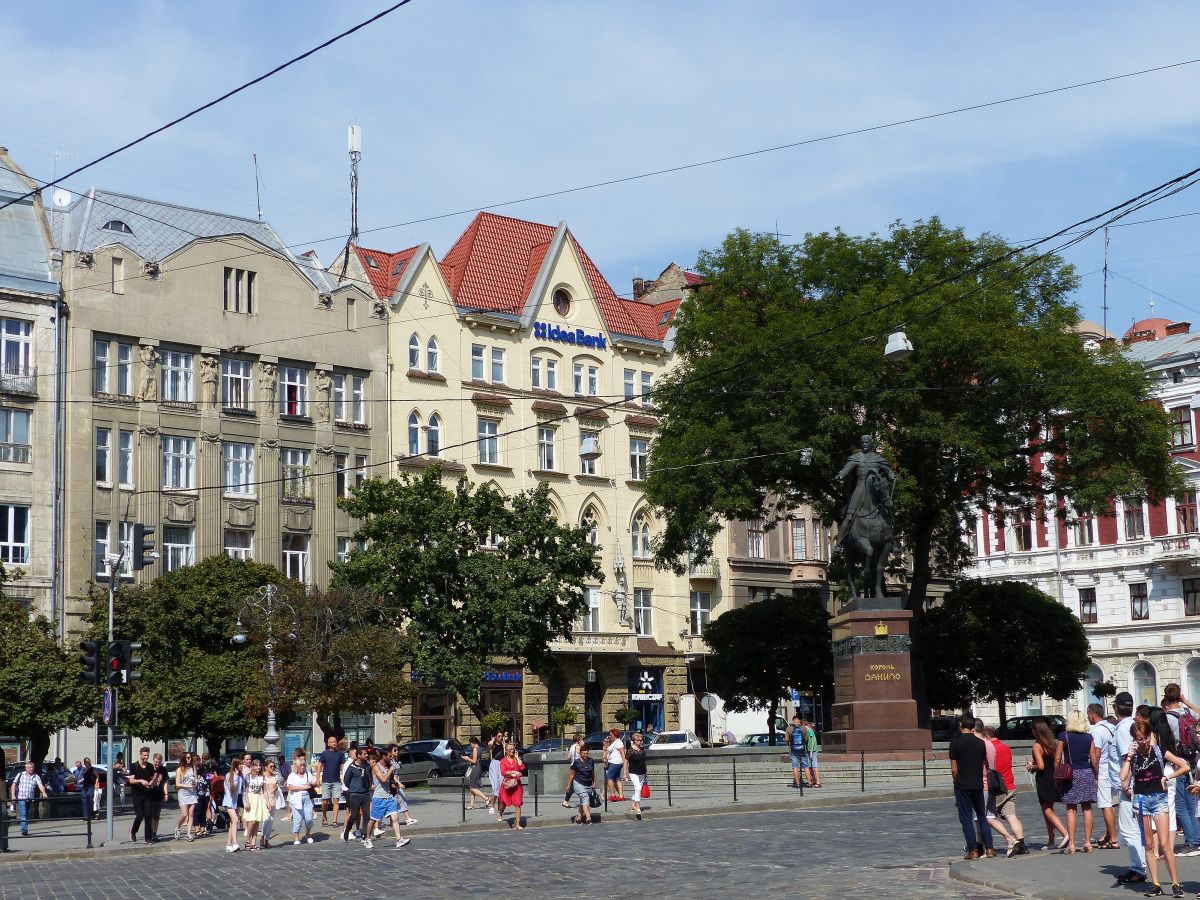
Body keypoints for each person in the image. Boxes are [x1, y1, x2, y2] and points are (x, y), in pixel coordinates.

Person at [1121, 718, 1190, 898]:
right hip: (1141, 800)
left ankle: (1175, 883)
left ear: (1150, 735)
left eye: (1145, 737)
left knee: (1165, 844)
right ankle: (1156, 884)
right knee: (1149, 844)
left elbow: (1185, 766)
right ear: (1134, 739)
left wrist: (1168, 777)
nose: (1143, 741)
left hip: (1159, 799)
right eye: (1139, 739)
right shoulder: (1133, 756)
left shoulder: (1159, 751)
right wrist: (1129, 756)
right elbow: (1123, 778)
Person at [1112, 692, 1150, 886]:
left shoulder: (1121, 730)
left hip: (1129, 784)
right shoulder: (1132, 725)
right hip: (1136, 783)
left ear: (1115, 708)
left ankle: (1138, 868)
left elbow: (1129, 756)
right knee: (1136, 827)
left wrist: (1127, 784)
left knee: (1129, 828)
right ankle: (1141, 864)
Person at [948, 715, 994, 860]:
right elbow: (982, 764)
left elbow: (954, 768)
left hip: (963, 784)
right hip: (978, 784)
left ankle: (973, 850)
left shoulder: (955, 742)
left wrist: (956, 781)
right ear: (973, 725)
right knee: (982, 816)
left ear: (961, 724)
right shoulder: (980, 743)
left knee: (966, 818)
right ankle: (990, 849)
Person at [1163, 684, 1200, 855]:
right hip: (1192, 760)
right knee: (1191, 802)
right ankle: (1196, 838)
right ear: (1179, 697)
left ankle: (1191, 841)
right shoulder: (1188, 713)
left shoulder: (1167, 718)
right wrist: (1186, 702)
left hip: (1178, 762)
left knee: (1180, 804)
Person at [1025, 718, 1069, 851]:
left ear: (1035, 731)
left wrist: (1031, 767)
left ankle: (1065, 833)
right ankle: (1051, 841)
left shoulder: (1037, 746)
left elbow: (1041, 765)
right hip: (1053, 776)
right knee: (1049, 809)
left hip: (1044, 779)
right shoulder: (1051, 744)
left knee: (1046, 809)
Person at [1058, 710, 1099, 853]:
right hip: (1086, 772)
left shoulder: (1064, 736)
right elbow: (1094, 760)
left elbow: (1057, 758)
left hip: (1071, 773)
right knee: (1087, 808)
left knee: (1071, 809)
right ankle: (1087, 842)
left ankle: (1072, 844)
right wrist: (1096, 776)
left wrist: (1057, 775)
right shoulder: (1089, 738)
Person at [982, 726, 1026, 856]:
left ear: (986, 737)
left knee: (986, 816)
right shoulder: (1006, 747)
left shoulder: (989, 748)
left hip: (996, 787)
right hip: (1010, 785)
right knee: (1011, 816)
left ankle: (1009, 839)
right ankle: (1022, 845)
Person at [1086, 703, 1119, 849]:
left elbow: (1096, 753)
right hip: (1114, 769)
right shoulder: (1112, 727)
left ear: (1092, 714)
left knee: (1105, 804)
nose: (1088, 717)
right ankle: (1109, 834)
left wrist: (1095, 771)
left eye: (1089, 714)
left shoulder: (1097, 731)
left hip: (1104, 771)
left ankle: (1113, 838)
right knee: (1111, 803)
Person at [364, 748, 410, 849]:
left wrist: (398, 783)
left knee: (395, 817)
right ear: (383, 756)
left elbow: (392, 777)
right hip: (379, 797)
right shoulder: (376, 767)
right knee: (373, 820)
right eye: (389, 756)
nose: (391, 758)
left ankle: (399, 839)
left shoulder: (388, 766)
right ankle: (367, 838)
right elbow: (384, 779)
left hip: (389, 797)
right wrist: (391, 770)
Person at [126, 748, 157, 844]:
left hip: (147, 793)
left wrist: (153, 781)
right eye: (144, 755)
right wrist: (140, 781)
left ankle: (148, 838)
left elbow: (152, 780)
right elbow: (131, 781)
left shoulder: (150, 766)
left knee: (148, 814)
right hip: (137, 794)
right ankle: (133, 830)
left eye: (147, 755)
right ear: (140, 754)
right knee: (139, 815)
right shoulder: (134, 766)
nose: (146, 757)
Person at [341, 747, 372, 842]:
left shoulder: (367, 766)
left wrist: (370, 786)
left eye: (366, 754)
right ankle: (347, 830)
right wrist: (354, 787)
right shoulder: (351, 768)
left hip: (366, 793)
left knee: (366, 816)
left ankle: (364, 835)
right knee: (353, 815)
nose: (366, 755)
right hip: (355, 794)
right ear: (358, 756)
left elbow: (370, 778)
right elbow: (346, 781)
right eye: (364, 754)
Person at [316, 735, 346, 829]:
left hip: (336, 781)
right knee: (325, 801)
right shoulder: (325, 753)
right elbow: (320, 766)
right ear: (328, 744)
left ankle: (334, 821)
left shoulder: (340, 754)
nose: (334, 743)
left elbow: (343, 767)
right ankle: (324, 817)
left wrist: (345, 778)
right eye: (332, 742)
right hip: (326, 781)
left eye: (335, 741)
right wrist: (317, 778)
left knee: (336, 800)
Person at [285, 757, 316, 845]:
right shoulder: (292, 775)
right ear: (296, 767)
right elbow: (290, 787)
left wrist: (312, 784)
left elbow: (314, 782)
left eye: (303, 765)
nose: (302, 767)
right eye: (300, 765)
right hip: (296, 799)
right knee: (297, 819)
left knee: (309, 819)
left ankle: (308, 833)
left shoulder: (307, 773)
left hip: (307, 798)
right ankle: (296, 837)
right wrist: (302, 787)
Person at [12, 760, 48, 837]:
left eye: (32, 767)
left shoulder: (36, 776)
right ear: (26, 768)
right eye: (29, 768)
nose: (31, 769)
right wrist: (13, 795)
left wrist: (44, 792)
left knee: (27, 813)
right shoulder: (20, 775)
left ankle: (24, 827)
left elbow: (40, 785)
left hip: (30, 798)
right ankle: (24, 830)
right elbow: (13, 785)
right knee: (23, 813)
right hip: (21, 797)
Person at [240, 758, 268, 851]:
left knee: (257, 821)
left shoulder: (262, 777)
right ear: (252, 766)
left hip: (258, 798)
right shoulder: (248, 776)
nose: (258, 767)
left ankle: (253, 843)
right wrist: (246, 802)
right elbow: (246, 790)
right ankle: (247, 840)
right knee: (251, 821)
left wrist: (267, 802)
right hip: (251, 798)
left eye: (260, 765)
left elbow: (264, 791)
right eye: (256, 765)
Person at [498, 742, 527, 830]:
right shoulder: (503, 761)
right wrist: (513, 772)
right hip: (507, 784)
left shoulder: (516, 759)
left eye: (513, 749)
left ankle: (518, 824)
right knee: (504, 802)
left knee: (517, 803)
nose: (512, 750)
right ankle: (500, 813)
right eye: (510, 749)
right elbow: (503, 772)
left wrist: (518, 759)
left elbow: (522, 768)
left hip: (516, 785)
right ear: (506, 751)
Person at [174, 751, 199, 842]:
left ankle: (189, 833)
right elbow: (177, 784)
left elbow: (195, 779)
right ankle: (178, 827)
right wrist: (187, 786)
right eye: (187, 757)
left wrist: (195, 783)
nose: (189, 759)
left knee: (191, 813)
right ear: (183, 758)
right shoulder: (180, 769)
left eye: (190, 757)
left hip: (192, 793)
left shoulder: (193, 767)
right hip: (183, 793)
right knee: (184, 814)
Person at [568, 744, 596, 824]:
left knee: (583, 801)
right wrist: (569, 785)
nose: (585, 755)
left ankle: (579, 817)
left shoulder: (591, 760)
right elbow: (572, 774)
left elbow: (593, 772)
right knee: (585, 797)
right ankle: (588, 817)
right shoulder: (576, 762)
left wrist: (594, 782)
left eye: (586, 753)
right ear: (580, 753)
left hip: (588, 783)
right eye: (583, 754)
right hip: (578, 783)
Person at [462, 736, 490, 810]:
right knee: (473, 786)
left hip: (475, 768)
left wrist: (467, 758)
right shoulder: (480, 749)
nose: (470, 745)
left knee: (472, 788)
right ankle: (471, 805)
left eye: (471, 743)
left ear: (474, 743)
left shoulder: (475, 749)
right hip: (478, 768)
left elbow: (474, 761)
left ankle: (486, 798)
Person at [626, 732, 648, 821]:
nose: (641, 741)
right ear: (634, 741)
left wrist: (646, 770)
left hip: (642, 772)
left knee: (637, 789)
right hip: (633, 772)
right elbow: (625, 761)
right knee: (638, 788)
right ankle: (638, 807)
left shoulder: (642, 749)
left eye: (641, 740)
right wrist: (624, 773)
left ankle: (633, 804)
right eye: (639, 740)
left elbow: (644, 760)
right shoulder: (630, 750)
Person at [261, 760, 281, 848]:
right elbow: (262, 790)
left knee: (271, 820)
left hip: (273, 799)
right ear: (266, 767)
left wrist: (276, 787)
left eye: (273, 767)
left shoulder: (274, 777)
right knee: (266, 818)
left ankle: (267, 839)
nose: (272, 768)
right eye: (271, 766)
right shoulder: (262, 776)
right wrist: (266, 802)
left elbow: (276, 789)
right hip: (264, 799)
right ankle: (262, 836)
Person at [148, 752, 168, 840]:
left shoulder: (163, 769)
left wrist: (166, 793)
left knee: (156, 816)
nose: (157, 764)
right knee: (151, 814)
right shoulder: (149, 769)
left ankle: (154, 833)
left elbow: (165, 782)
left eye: (159, 762)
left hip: (159, 795)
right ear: (153, 760)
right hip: (150, 795)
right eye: (156, 762)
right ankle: (150, 832)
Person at [786, 714, 808, 790]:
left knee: (795, 767)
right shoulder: (804, 728)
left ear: (793, 720)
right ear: (800, 720)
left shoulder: (789, 728)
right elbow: (806, 739)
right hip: (802, 749)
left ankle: (798, 784)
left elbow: (786, 739)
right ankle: (810, 783)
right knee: (806, 766)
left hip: (793, 750)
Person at [605, 728, 626, 802]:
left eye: (611, 734)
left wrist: (624, 763)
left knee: (609, 778)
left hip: (615, 763)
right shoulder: (614, 742)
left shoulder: (619, 742)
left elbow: (623, 753)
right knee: (617, 778)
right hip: (614, 762)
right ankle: (621, 796)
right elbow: (607, 750)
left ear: (614, 735)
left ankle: (613, 795)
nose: (610, 736)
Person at [487, 732, 504, 814]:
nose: (501, 737)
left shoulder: (504, 745)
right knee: (496, 786)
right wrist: (493, 739)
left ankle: (499, 808)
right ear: (496, 737)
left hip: (502, 764)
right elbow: (489, 744)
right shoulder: (493, 745)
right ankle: (492, 805)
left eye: (502, 736)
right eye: (499, 736)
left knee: (501, 787)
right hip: (495, 764)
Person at [803, 719, 822, 788]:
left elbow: (813, 740)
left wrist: (811, 751)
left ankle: (818, 781)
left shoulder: (809, 730)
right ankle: (814, 780)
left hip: (812, 750)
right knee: (810, 766)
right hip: (809, 750)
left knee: (814, 766)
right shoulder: (807, 731)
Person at [78, 757, 97, 821]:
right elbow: (85, 776)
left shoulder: (92, 769)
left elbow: (97, 776)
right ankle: (85, 816)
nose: (87, 763)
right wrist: (81, 780)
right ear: (84, 763)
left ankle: (91, 815)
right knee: (84, 801)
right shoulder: (84, 769)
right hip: (85, 786)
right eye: (86, 762)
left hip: (90, 786)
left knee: (90, 801)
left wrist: (96, 784)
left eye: (88, 761)